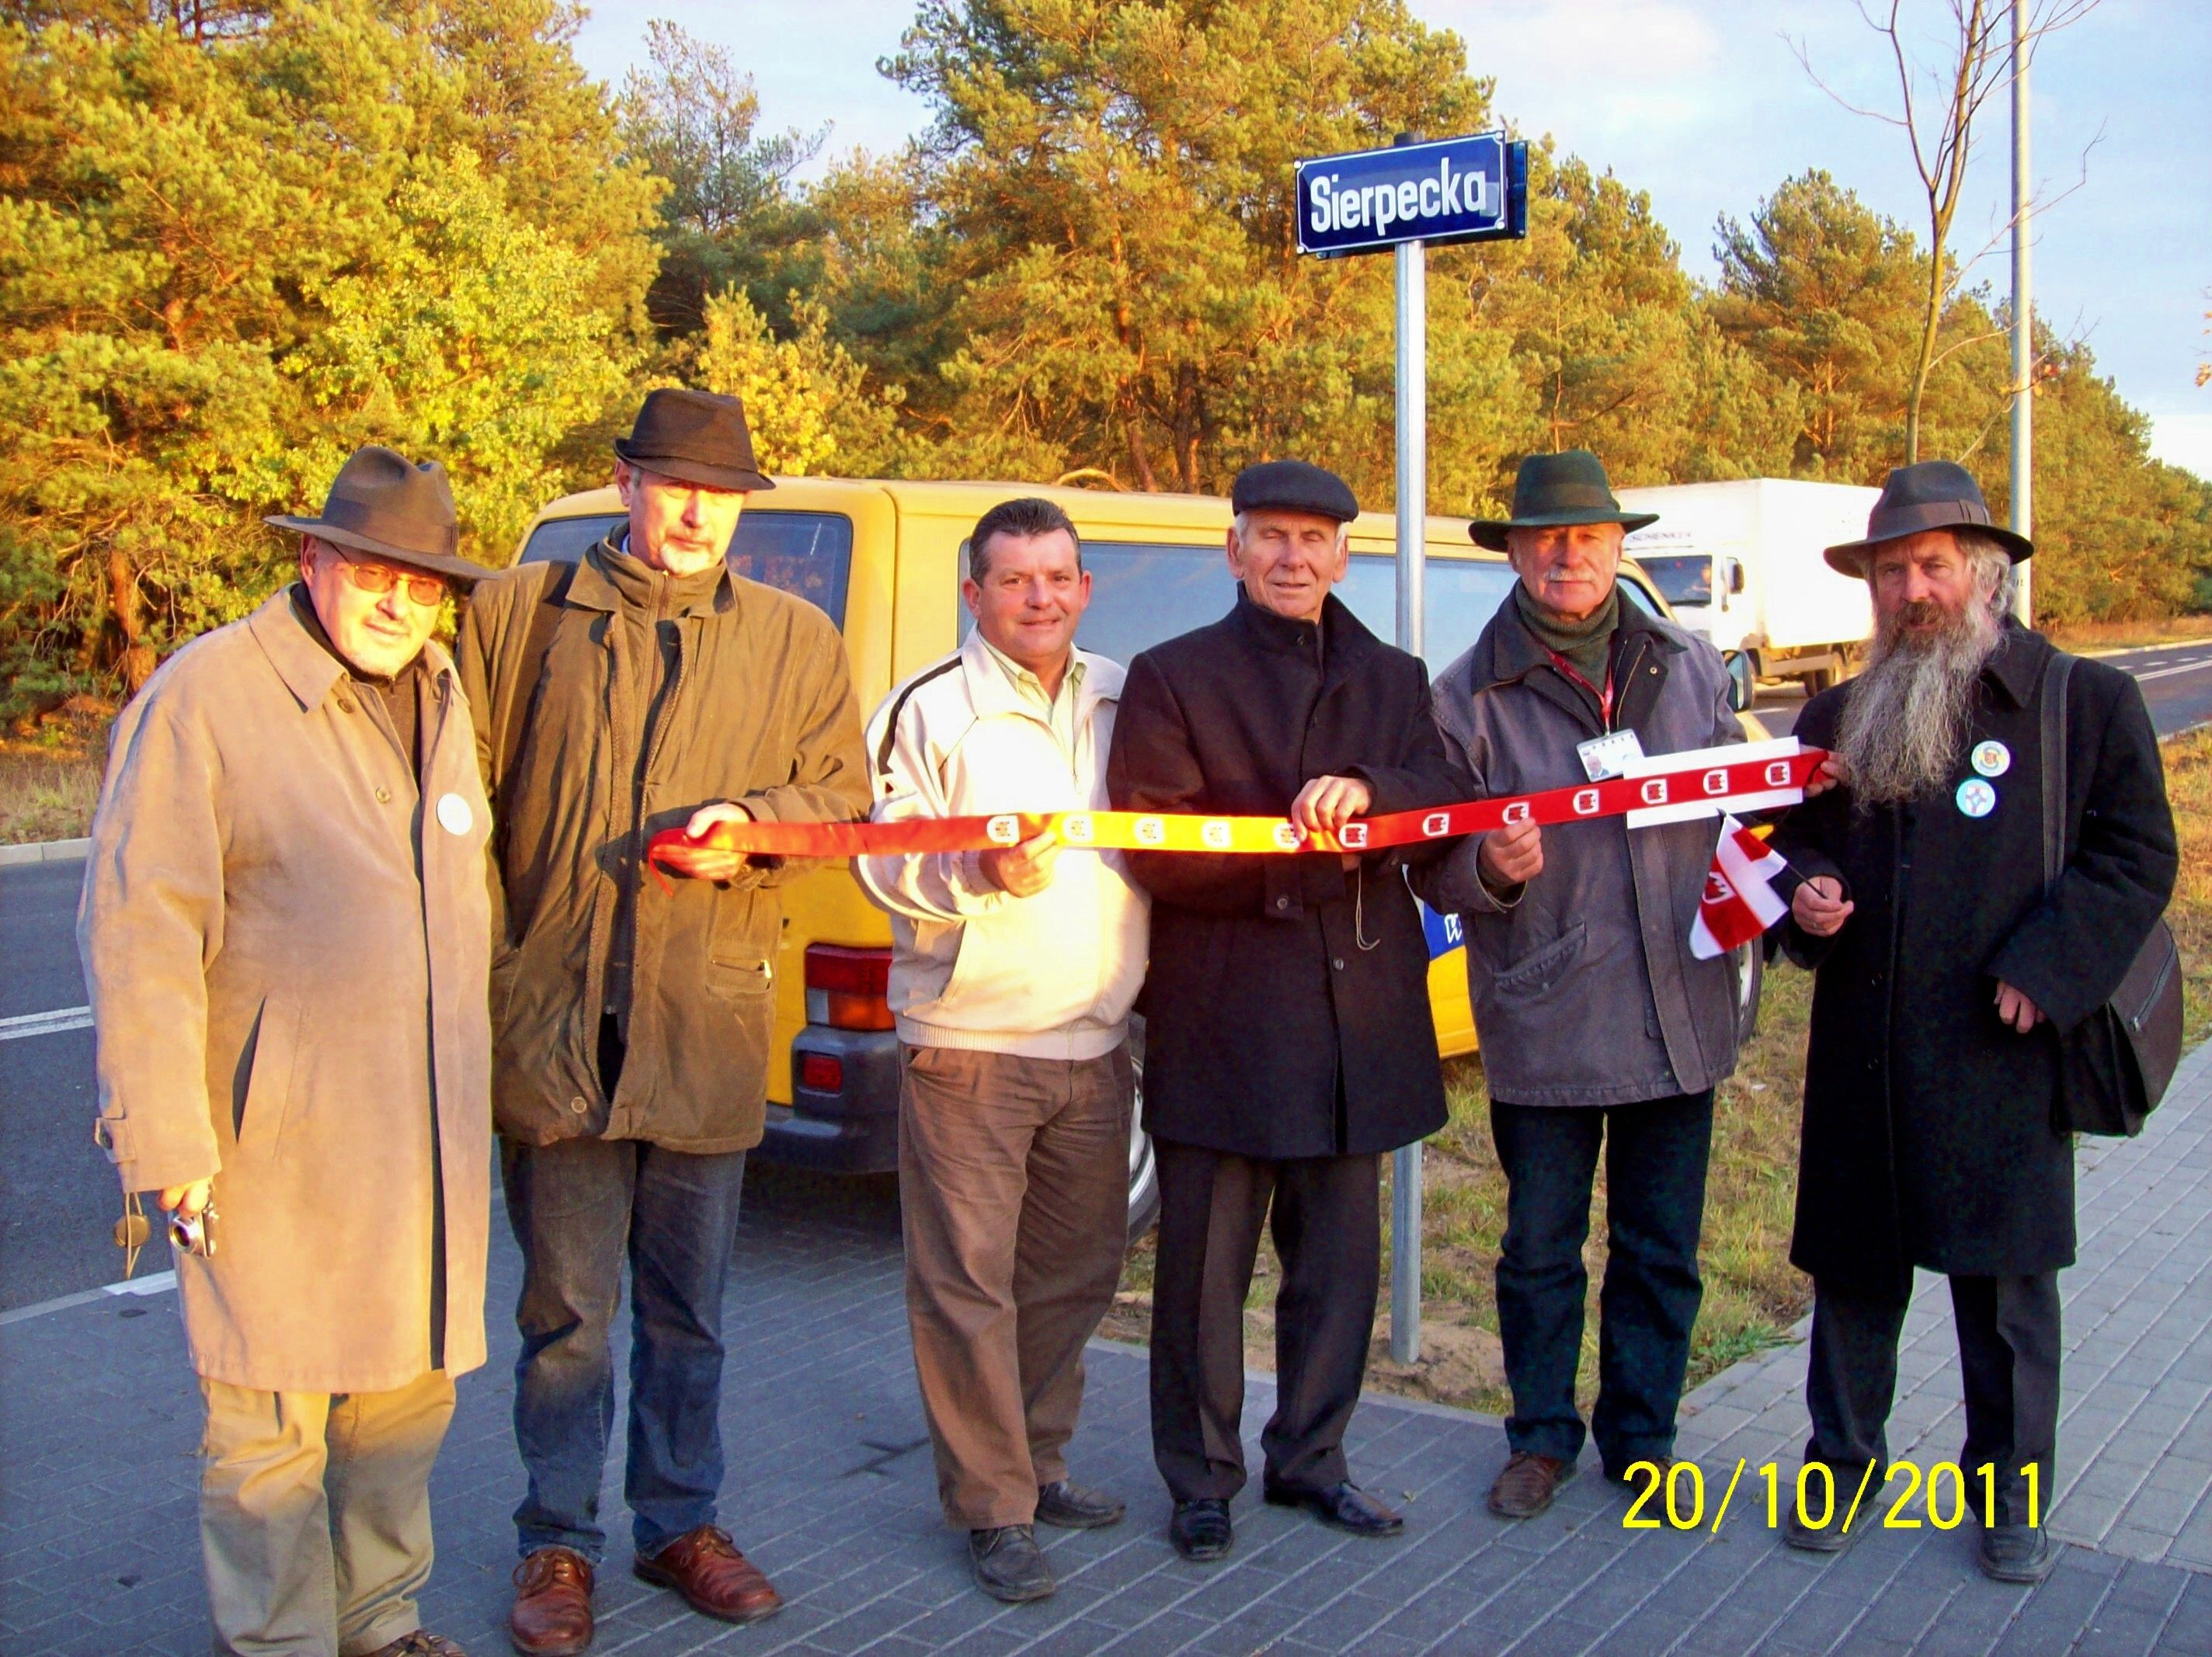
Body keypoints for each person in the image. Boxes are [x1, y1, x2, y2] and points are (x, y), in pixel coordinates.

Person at [458, 389, 869, 1655]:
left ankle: (680, 1522)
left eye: (721, 490)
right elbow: (452, 802)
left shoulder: (798, 639)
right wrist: (498, 965)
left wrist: (755, 823)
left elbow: (842, 799)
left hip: (705, 1024)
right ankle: (557, 1542)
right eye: (672, 481)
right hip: (558, 1028)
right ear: (627, 482)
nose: (696, 509)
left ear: (743, 505)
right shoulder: (520, 616)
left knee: (690, 1309)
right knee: (566, 1317)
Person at [80, 446, 496, 1657]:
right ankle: (276, 1641)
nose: (397, 600)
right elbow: (137, 927)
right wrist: (166, 1139)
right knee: (269, 1430)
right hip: (269, 1146)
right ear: (312, 558)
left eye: (423, 583)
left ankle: (377, 1619)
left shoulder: (441, 687)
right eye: (372, 568)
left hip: (416, 1141)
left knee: (402, 1406)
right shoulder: (205, 697)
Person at [1771, 460, 2175, 1583]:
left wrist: (2052, 964)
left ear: (1983, 573)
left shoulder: (2079, 703)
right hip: (1865, 1046)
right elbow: (1784, 842)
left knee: (2006, 1293)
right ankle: (1840, 1463)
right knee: (1853, 1275)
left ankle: (2010, 1492)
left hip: (2001, 1045)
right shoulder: (1835, 712)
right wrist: (1805, 892)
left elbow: (2137, 853)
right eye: (1891, 571)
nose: (1912, 590)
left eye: (1933, 566)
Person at [1106, 460, 1470, 1563]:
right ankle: (1202, 1476)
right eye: (1271, 537)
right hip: (1226, 1015)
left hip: (1357, 1018)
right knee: (1204, 1276)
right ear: (1235, 551)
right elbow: (1150, 843)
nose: (1293, 558)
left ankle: (1312, 1459)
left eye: (1314, 540)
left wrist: (1371, 789)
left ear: (1342, 557)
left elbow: (1445, 799)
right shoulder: (1172, 677)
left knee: (1338, 1267)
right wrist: (1295, 858)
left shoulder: (1395, 676)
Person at [1416, 449, 1748, 1521]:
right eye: (1547, 537)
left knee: (1662, 1249)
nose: (1569, 554)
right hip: (1547, 1010)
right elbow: (1433, 861)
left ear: (1619, 546)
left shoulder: (1691, 666)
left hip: (1678, 1010)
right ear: (1514, 551)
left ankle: (1643, 1440)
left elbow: (1744, 804)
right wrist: (1486, 872)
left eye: (1590, 536)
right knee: (1540, 1249)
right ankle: (1541, 1437)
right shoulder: (1465, 694)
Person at [855, 496, 1149, 1604]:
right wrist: (975, 875)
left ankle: (1038, 1459)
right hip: (971, 1040)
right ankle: (992, 1504)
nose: (1039, 597)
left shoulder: (1124, 694)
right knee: (966, 1284)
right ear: (973, 593)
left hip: (1097, 1036)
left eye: (1057, 576)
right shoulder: (923, 708)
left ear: (1083, 586)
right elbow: (880, 859)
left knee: (1075, 1272)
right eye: (1013, 579)